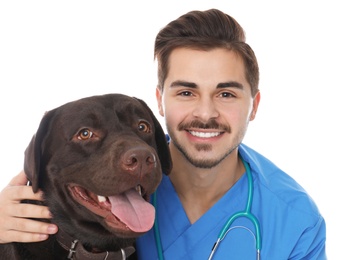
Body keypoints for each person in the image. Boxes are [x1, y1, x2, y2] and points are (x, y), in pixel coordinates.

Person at [0, 8, 326, 259]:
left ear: (253, 105)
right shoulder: (108, 189)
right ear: (160, 100)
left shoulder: (296, 222)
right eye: (186, 92)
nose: (205, 113)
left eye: (226, 94)